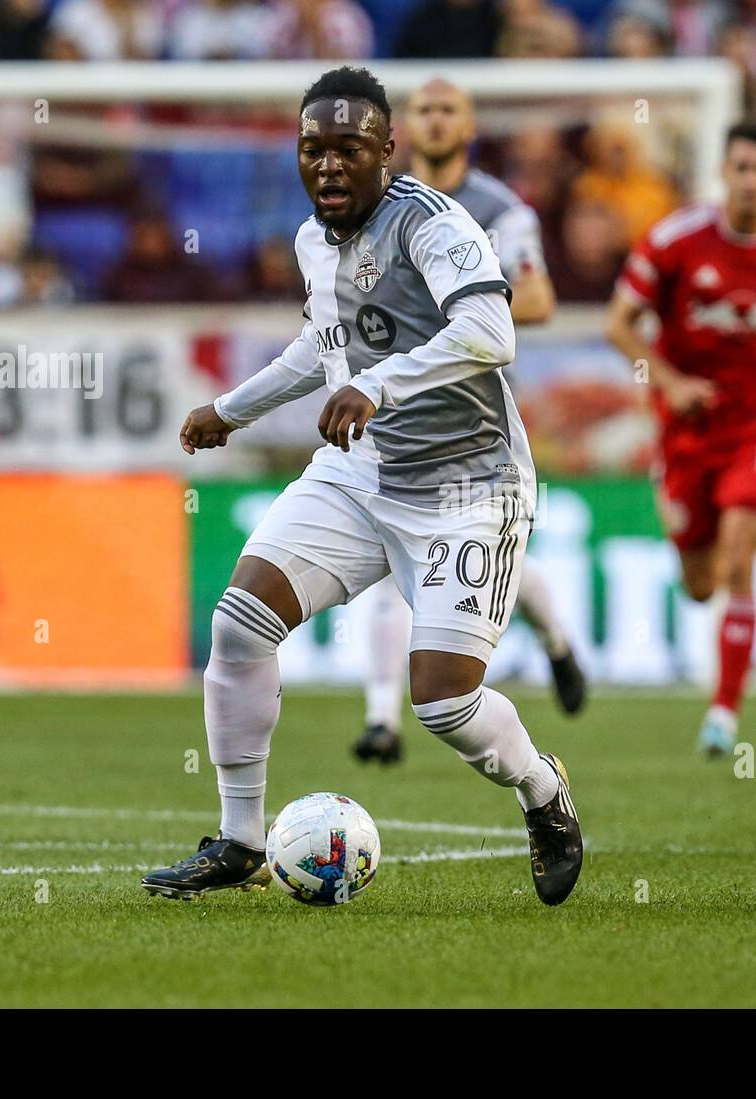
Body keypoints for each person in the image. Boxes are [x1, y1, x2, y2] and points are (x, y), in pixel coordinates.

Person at [144, 67, 583, 906]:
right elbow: (323, 344)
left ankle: (542, 790)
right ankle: (240, 840)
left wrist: (379, 385)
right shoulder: (315, 239)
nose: (331, 165)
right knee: (239, 624)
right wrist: (232, 411)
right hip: (362, 471)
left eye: (350, 148)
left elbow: (493, 332)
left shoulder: (434, 222)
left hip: (468, 484)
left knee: (444, 705)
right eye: (314, 149)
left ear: (388, 150)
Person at [353, 76, 586, 767]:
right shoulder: (377, 204)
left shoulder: (499, 210)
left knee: (473, 559)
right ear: (402, 127)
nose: (434, 119)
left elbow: (539, 299)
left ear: (469, 124)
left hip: (474, 415)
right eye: (422, 108)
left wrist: (458, 310)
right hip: (393, 407)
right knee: (400, 552)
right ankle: (380, 720)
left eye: (447, 108)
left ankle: (556, 640)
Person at [605, 122, 756, 756]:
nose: (750, 180)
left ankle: (725, 712)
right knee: (700, 580)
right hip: (686, 433)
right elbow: (619, 324)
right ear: (722, 174)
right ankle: (724, 679)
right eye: (741, 168)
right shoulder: (675, 241)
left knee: (738, 558)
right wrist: (669, 383)